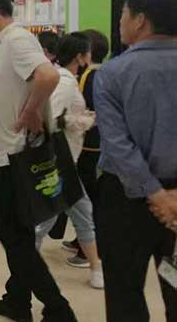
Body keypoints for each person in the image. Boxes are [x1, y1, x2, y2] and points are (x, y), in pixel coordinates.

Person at [0, 0, 77, 322]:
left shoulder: (16, 40)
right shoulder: (5, 45)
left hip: (14, 156)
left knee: (13, 236)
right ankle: (17, 301)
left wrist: (31, 111)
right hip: (7, 154)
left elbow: (47, 75)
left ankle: (59, 310)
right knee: (19, 235)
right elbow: (21, 85)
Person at [94, 0, 177, 322]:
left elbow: (118, 144)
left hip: (125, 201)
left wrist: (156, 195)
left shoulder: (112, 73)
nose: (121, 21)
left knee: (125, 291)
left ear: (140, 19)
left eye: (124, 13)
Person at [34, 32, 103, 290]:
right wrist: (83, 121)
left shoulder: (63, 78)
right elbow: (50, 118)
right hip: (59, 160)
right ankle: (25, 267)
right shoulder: (65, 81)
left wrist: (79, 118)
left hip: (62, 159)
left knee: (78, 212)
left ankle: (95, 268)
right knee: (49, 218)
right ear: (79, 56)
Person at [62, 29, 110, 264]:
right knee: (82, 196)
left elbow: (86, 110)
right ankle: (82, 240)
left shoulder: (88, 76)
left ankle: (88, 248)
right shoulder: (100, 73)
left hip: (88, 143)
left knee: (85, 196)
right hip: (91, 141)